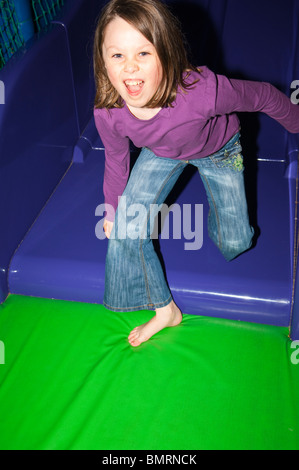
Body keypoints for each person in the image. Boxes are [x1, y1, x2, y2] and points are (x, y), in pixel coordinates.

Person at [93, 0, 299, 347]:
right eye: (117, 56)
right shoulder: (109, 110)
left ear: (167, 53)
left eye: (143, 53)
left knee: (236, 243)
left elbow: (263, 96)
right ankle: (165, 310)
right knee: (125, 230)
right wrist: (113, 207)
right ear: (102, 59)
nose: (129, 68)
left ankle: (223, 218)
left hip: (218, 150)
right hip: (161, 153)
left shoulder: (201, 91)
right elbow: (115, 159)